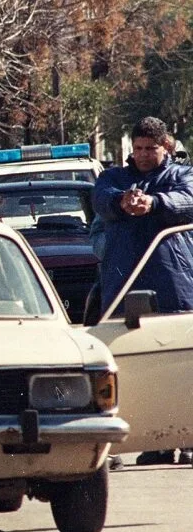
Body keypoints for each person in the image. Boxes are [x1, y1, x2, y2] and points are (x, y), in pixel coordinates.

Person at [92, 117, 193, 466]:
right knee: (126, 361)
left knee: (179, 363)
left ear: (165, 147)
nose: (143, 155)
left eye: (150, 148)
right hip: (125, 282)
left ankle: (186, 436)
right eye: (137, 149)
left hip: (175, 280)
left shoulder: (182, 175)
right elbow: (101, 200)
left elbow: (188, 199)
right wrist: (123, 202)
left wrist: (156, 204)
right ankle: (140, 440)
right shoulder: (114, 178)